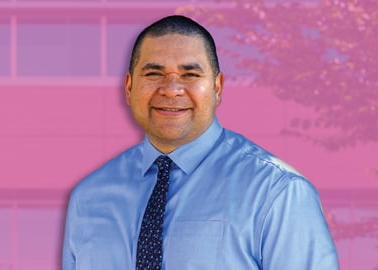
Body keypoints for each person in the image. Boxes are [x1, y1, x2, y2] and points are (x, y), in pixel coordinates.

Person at [62, 15, 339, 269]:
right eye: (154, 73)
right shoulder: (89, 197)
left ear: (217, 87)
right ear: (129, 86)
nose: (171, 89)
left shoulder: (277, 192)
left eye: (190, 74)